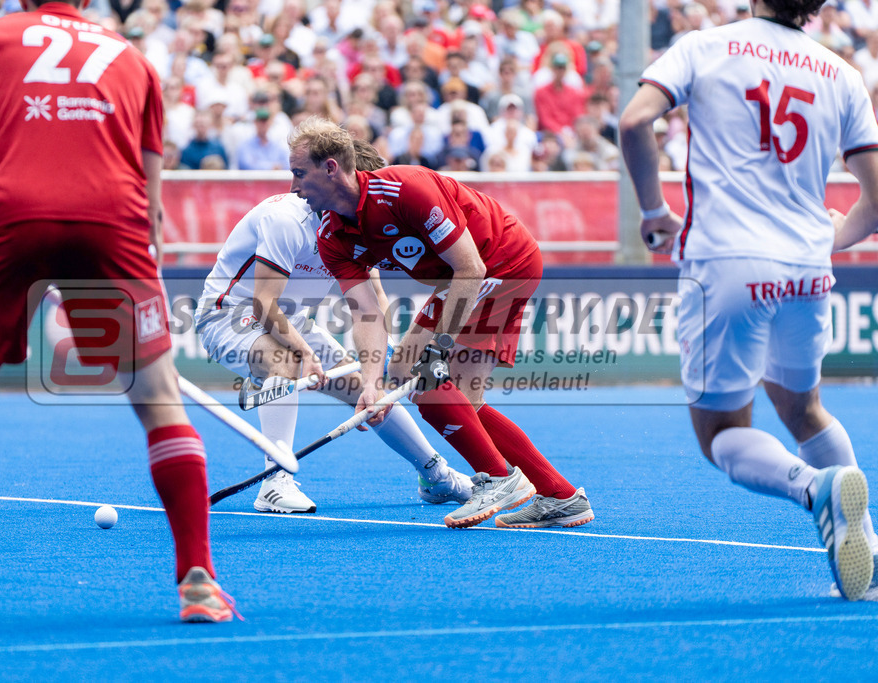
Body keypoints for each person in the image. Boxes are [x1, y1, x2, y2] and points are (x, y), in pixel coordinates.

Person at [0, 0, 238, 623]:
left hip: (6, 214)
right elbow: (151, 207)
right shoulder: (136, 61)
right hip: (114, 224)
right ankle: (199, 583)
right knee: (159, 404)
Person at [619, 0, 878, 601]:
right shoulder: (840, 72)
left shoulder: (707, 46)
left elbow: (635, 122)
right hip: (809, 269)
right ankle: (864, 537)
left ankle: (816, 491)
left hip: (727, 263)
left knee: (721, 434)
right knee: (804, 408)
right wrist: (827, 237)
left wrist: (655, 212)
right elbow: (874, 202)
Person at [287, 116, 595, 530]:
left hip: (500, 261)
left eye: (298, 173)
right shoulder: (331, 236)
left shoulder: (406, 188)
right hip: (463, 278)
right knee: (433, 386)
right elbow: (367, 313)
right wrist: (372, 383)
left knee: (426, 376)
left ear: (330, 168)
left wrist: (439, 347)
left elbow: (471, 268)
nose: (292, 187)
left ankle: (499, 479)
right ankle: (559, 495)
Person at [194, 138, 472, 514]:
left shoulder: (359, 225)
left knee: (365, 392)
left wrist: (379, 359)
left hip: (291, 319)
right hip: (228, 315)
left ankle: (435, 474)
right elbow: (263, 305)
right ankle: (275, 481)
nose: (293, 185)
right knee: (282, 359)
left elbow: (372, 304)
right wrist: (306, 353)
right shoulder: (286, 220)